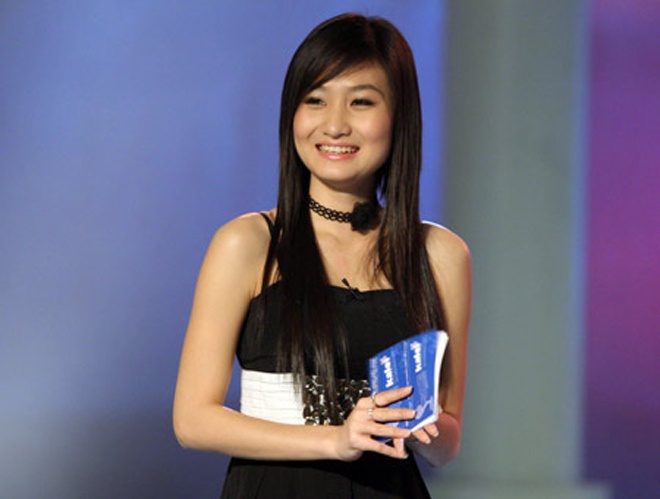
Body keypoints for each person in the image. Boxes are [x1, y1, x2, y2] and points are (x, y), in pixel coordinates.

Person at [173, 12, 471, 498]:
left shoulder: (440, 254)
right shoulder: (248, 242)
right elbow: (192, 420)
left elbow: (448, 440)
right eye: (315, 100)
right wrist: (336, 440)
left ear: (399, 118)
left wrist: (420, 426)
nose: (334, 125)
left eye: (361, 102)